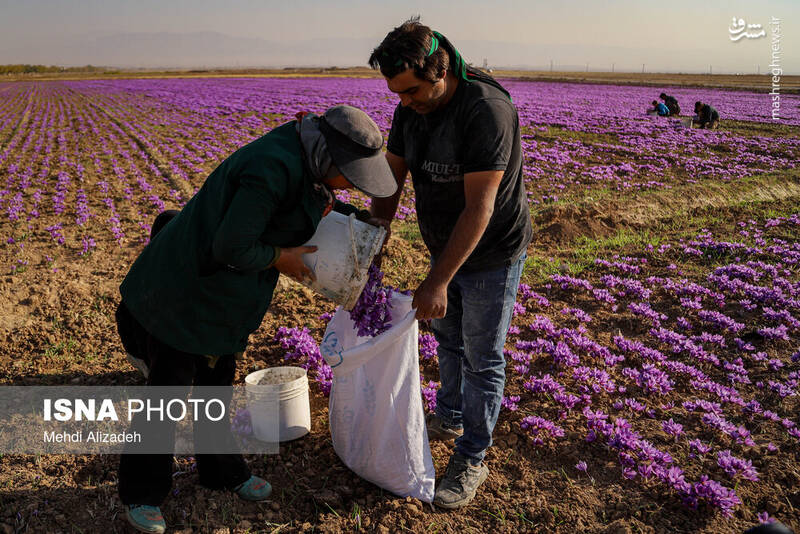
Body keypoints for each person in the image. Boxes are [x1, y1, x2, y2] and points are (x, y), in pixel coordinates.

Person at [115, 105, 397, 533]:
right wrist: (280, 258)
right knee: (167, 395)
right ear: (329, 157)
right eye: (350, 176)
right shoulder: (270, 168)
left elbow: (302, 213)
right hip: (187, 291)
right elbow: (230, 246)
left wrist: (361, 226)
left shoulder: (309, 159)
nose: (352, 186)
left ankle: (221, 472)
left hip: (224, 297)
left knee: (216, 384)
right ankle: (142, 492)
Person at [368, 17, 532, 509]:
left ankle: (472, 456)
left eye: (413, 90)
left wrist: (438, 280)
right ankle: (451, 413)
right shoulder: (410, 109)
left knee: (483, 356)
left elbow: (479, 208)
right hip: (444, 242)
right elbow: (391, 182)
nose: (405, 101)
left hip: (491, 250)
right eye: (397, 92)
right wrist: (372, 242)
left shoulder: (485, 111)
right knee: (447, 338)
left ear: (441, 71)